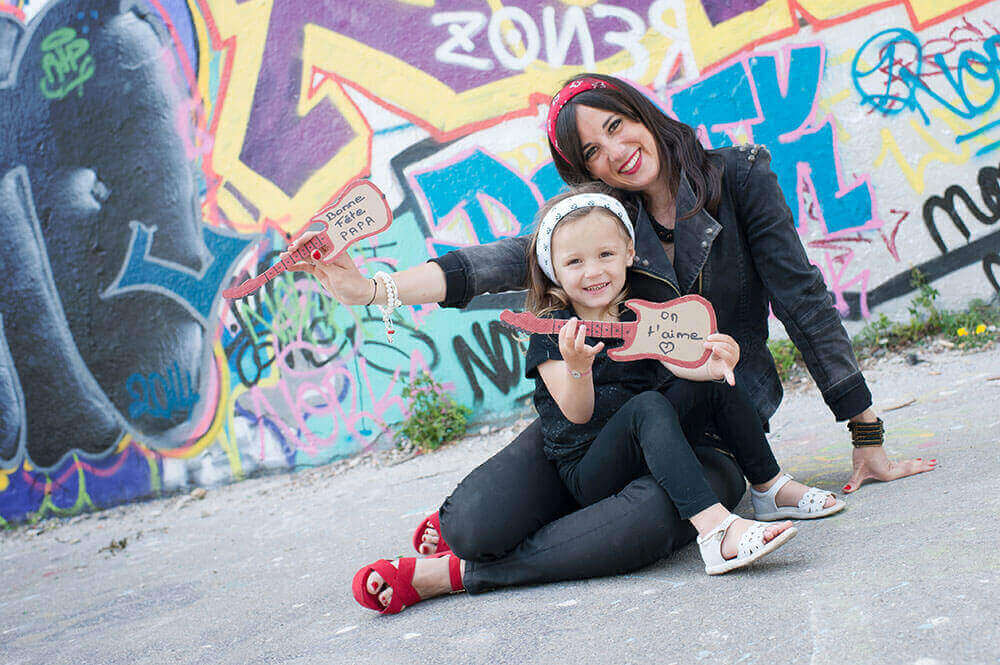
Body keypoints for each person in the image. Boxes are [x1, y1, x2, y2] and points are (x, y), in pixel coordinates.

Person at [288, 74, 936, 612]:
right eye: (591, 152)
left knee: (646, 523)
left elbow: (802, 298)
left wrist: (866, 431)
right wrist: (372, 290)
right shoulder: (602, 224)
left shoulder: (736, 177)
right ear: (584, 172)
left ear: (642, 114)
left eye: (615, 126)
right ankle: (478, 536)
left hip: (707, 420)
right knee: (475, 523)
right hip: (595, 412)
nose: (614, 151)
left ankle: (450, 575)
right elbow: (502, 261)